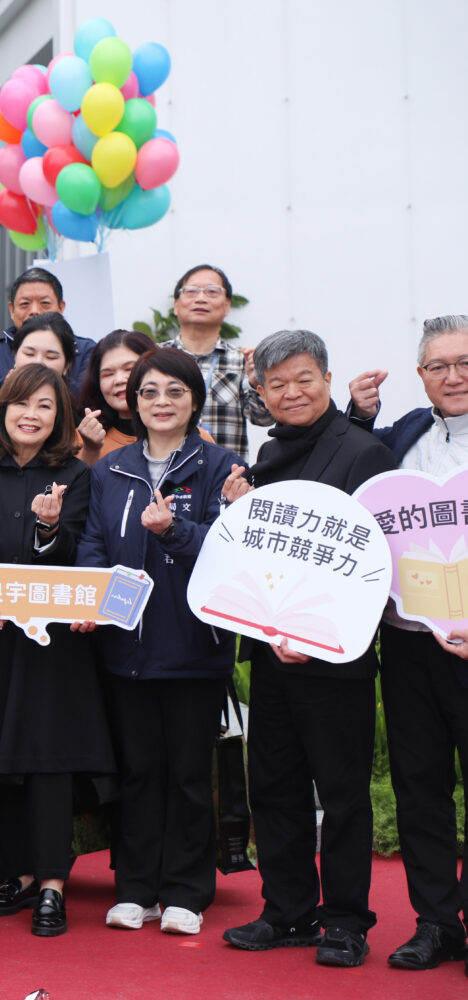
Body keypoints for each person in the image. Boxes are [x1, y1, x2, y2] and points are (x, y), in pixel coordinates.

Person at [218, 329, 395, 967]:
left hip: (335, 659)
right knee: (274, 787)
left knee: (342, 794)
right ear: (261, 392)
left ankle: (347, 920)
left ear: (326, 379)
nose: (291, 392)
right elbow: (258, 560)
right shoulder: (266, 456)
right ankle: (288, 911)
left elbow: (372, 568)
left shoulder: (364, 453)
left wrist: (316, 638)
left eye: (303, 379)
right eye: (277, 384)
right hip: (271, 653)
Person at [0, 364, 113, 938]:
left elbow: (74, 561)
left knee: (47, 760)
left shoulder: (75, 475)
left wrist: (49, 530)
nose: (30, 415)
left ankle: (54, 882)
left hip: (50, 647)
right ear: (0, 409)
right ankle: (17, 873)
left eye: (44, 405)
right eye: (19, 403)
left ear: (59, 414)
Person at [76, 349, 242, 936]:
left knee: (190, 776)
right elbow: (94, 544)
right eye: (149, 392)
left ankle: (187, 893)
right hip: (127, 650)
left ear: (194, 400)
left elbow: (230, 553)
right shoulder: (110, 468)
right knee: (139, 773)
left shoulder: (222, 466)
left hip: (196, 649)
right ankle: (137, 888)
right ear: (133, 401)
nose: (162, 402)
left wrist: (173, 530)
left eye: (175, 391)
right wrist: (91, 606)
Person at [344, 315, 468, 971]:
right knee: (420, 785)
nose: (453, 377)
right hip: (410, 642)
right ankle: (437, 922)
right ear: (421, 377)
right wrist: (359, 416)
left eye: (464, 362)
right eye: (439, 366)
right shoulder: (406, 437)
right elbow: (358, 485)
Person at [169, 264, 273, 457]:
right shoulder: (156, 358)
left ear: (226, 306)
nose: (201, 298)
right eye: (191, 291)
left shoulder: (243, 361)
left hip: (225, 479)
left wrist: (256, 382)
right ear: (176, 305)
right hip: (165, 478)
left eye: (211, 291)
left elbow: (264, 419)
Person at [0, 313, 80, 464]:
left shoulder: (78, 416)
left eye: (51, 357)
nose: (38, 362)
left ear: (67, 365)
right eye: (29, 353)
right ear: (14, 356)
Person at [0, 267, 96, 393]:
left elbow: (87, 399)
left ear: (61, 308)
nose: (35, 311)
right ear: (12, 310)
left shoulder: (86, 351)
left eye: (44, 303)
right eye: (25, 304)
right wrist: (9, 384)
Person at [75, 330, 159, 465]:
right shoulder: (82, 440)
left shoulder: (189, 436)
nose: (119, 380)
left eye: (129, 369)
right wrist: (90, 451)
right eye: (108, 374)